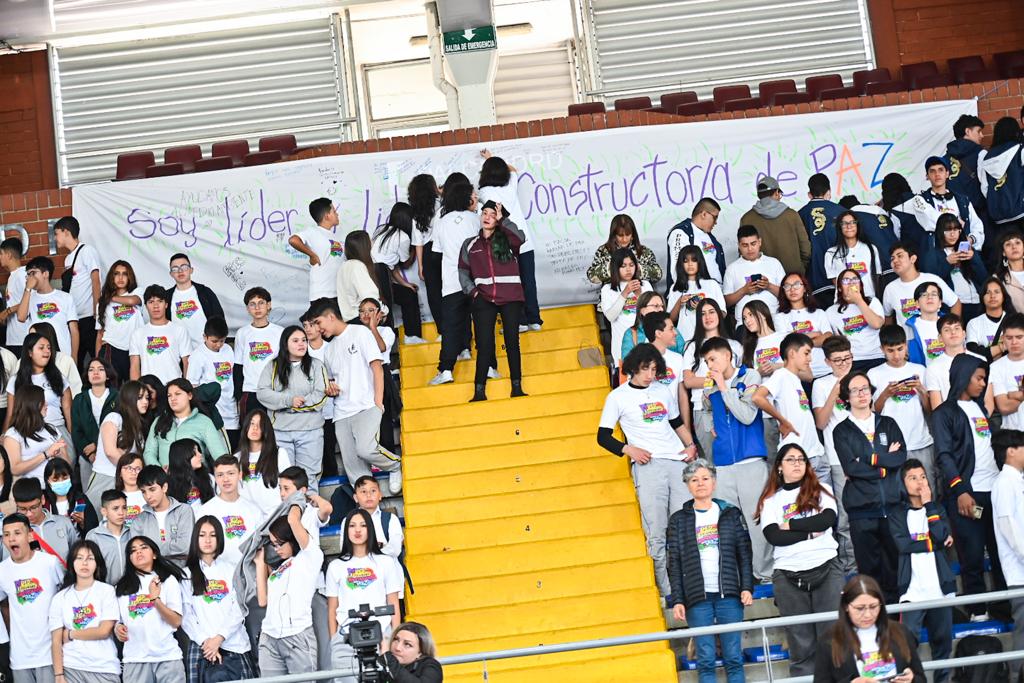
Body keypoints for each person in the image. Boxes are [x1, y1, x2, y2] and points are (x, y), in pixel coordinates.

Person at [597, 343, 697, 596]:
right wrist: (629, 450)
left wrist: (691, 446)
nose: (650, 375)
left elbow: (676, 422)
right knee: (657, 531)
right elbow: (603, 436)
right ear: (633, 368)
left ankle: (691, 587)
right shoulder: (617, 397)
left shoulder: (663, 390)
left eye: (654, 369)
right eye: (645, 369)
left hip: (676, 461)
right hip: (649, 466)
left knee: (685, 526)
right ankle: (667, 592)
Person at [756, 444, 842, 677]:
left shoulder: (821, 489)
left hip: (826, 567)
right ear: (780, 467)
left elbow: (826, 521)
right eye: (791, 459)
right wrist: (808, 533)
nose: (797, 463)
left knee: (832, 641)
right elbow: (774, 536)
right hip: (788, 574)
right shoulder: (771, 500)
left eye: (801, 459)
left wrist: (791, 525)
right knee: (800, 645)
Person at [932, 354, 1005, 621]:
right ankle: (978, 611)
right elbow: (944, 455)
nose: (983, 384)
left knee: (999, 552)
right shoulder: (944, 413)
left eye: (984, 379)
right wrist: (960, 490)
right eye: (978, 378)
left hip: (993, 492)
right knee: (972, 550)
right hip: (968, 495)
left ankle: (1003, 607)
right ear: (963, 376)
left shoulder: (980, 409)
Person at [666, 459, 752, 683]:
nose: (700, 483)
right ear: (687, 485)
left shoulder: (730, 514)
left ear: (714, 483)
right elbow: (673, 562)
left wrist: (747, 587)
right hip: (697, 598)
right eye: (694, 480)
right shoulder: (678, 520)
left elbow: (744, 553)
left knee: (734, 657)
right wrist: (678, 600)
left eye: (705, 478)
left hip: (730, 595)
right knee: (705, 660)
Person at [306, 298, 402, 494]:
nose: (317, 329)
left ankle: (394, 466)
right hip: (341, 413)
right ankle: (367, 511)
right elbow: (333, 382)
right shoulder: (329, 349)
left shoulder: (360, 333)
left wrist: (377, 401)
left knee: (366, 449)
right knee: (354, 472)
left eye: (318, 323)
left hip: (366, 405)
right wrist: (331, 390)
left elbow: (377, 367)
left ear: (331, 317)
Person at [695, 338, 772, 580]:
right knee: (726, 524)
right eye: (707, 361)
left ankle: (765, 574)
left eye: (713, 359)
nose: (710, 364)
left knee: (756, 522)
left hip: (750, 460)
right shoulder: (710, 386)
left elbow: (748, 416)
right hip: (724, 463)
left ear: (728, 356)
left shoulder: (749, 377)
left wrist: (724, 388)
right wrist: (711, 427)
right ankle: (735, 577)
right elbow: (705, 406)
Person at [833, 370, 906, 603]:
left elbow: (900, 457)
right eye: (854, 391)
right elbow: (851, 467)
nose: (861, 394)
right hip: (862, 511)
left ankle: (898, 623)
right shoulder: (841, 430)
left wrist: (870, 459)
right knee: (870, 573)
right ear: (846, 397)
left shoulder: (888, 423)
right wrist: (883, 461)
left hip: (893, 508)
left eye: (865, 388)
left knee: (897, 568)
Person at [891, 458, 955, 683]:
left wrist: (929, 505)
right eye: (912, 478)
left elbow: (939, 534)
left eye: (922, 476)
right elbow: (903, 545)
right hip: (912, 592)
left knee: (943, 647)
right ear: (902, 483)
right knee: (906, 648)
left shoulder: (936, 509)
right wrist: (933, 543)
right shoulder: (897, 513)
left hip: (940, 588)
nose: (919, 482)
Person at [458, 200, 528, 401]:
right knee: (484, 344)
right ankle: (479, 391)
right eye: (485, 213)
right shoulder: (470, 244)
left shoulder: (508, 240)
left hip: (511, 297)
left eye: (492, 214)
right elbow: (463, 272)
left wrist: (503, 219)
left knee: (512, 341)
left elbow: (520, 238)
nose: (487, 217)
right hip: (484, 299)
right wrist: (473, 293)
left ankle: (517, 386)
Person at [325, 509, 403, 683]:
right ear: (346, 531)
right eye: (352, 526)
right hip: (345, 638)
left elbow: (394, 604)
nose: (357, 530)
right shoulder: (335, 566)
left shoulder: (386, 562)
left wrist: (392, 639)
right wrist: (334, 639)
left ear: (371, 529)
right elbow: (332, 609)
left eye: (363, 525)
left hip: (382, 635)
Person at [182, 516, 256, 681]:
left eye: (212, 535)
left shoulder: (231, 570)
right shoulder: (186, 574)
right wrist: (207, 641)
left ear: (220, 538)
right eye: (202, 535)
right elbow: (186, 615)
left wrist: (219, 638)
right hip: (203, 648)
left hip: (234, 645)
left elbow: (239, 608)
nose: (207, 540)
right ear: (195, 539)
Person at [254, 502, 323, 679]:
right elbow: (263, 600)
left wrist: (297, 501)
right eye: (273, 544)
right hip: (269, 636)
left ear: (292, 538)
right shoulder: (279, 567)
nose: (276, 549)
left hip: (297, 635)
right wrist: (260, 564)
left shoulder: (310, 556)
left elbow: (292, 519)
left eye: (279, 544)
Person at [813, 574, 925, 682]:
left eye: (873, 607)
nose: (868, 615)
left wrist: (912, 679)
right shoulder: (828, 642)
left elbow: (920, 678)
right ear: (846, 606)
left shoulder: (901, 631)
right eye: (860, 608)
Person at [478, 150, 543, 331]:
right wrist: (493, 159)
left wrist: (489, 161)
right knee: (529, 281)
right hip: (525, 240)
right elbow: (513, 169)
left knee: (513, 283)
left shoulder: (484, 192)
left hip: (505, 244)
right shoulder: (510, 186)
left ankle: (520, 321)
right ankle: (534, 320)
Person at [753, 333, 829, 485]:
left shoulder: (793, 377)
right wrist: (782, 421)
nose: (810, 359)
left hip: (815, 452)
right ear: (792, 353)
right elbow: (757, 397)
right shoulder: (781, 375)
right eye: (806, 353)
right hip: (799, 454)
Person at [868, 325, 936, 493]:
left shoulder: (919, 370)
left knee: (928, 488)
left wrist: (920, 389)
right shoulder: (874, 373)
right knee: (897, 490)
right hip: (893, 445)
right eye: (890, 350)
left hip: (921, 440)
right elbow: (871, 414)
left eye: (900, 349)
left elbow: (929, 410)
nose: (896, 355)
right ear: (882, 349)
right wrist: (885, 394)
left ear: (906, 345)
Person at [810, 336, 857, 574]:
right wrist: (836, 391)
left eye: (847, 358)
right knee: (845, 516)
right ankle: (849, 565)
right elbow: (820, 421)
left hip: (865, 455)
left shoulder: (860, 380)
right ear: (827, 362)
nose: (843, 364)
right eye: (837, 360)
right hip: (838, 459)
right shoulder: (821, 385)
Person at [0, 513, 64, 681]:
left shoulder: (50, 563)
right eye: (6, 535)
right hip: (20, 657)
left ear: (29, 535)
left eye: (17, 533)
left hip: (51, 654)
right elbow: (3, 604)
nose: (11, 539)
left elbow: (65, 596)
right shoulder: (1, 571)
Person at [429, 173, 480, 384]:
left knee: (450, 327)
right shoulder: (476, 219)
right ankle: (489, 367)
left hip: (451, 282)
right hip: (477, 281)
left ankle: (446, 370)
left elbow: (436, 252)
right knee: (481, 324)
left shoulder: (441, 222)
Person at [114, 535, 187, 683]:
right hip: (134, 660)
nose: (138, 552)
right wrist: (117, 629)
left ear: (154, 554)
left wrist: (155, 599)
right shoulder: (121, 587)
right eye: (133, 550)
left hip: (168, 658)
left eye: (143, 547)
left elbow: (176, 621)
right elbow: (117, 622)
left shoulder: (167, 580)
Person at [48, 539, 120, 683]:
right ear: (72, 563)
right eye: (79, 558)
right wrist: (58, 675)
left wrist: (70, 633)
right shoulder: (60, 598)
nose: (84, 563)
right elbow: (56, 641)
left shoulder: (107, 591)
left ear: (97, 563)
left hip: (104, 668)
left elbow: (103, 631)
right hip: (71, 668)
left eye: (90, 558)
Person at [681, 300, 741, 442]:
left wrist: (716, 382)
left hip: (731, 405)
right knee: (710, 460)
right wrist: (719, 380)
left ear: (719, 315)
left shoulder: (735, 346)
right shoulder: (692, 346)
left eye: (712, 312)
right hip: (702, 407)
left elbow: (740, 377)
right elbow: (689, 381)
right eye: (703, 314)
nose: (708, 317)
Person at [992, 429, 1024, 682]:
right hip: (1019, 572)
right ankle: (1017, 677)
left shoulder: (1017, 480)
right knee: (1023, 632)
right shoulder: (1004, 482)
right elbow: (1007, 524)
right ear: (1010, 451)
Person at [88, 380, 150, 511]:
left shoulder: (137, 427)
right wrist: (131, 470)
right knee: (98, 520)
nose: (145, 401)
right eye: (140, 398)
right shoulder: (114, 417)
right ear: (129, 398)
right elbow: (110, 451)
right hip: (105, 478)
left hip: (125, 481)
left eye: (147, 398)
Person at [143, 378, 228, 469]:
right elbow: (149, 452)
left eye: (178, 394)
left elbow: (219, 455)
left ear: (190, 395)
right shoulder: (159, 421)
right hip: (165, 480)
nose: (173, 398)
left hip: (196, 479)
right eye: (169, 395)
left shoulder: (204, 422)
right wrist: (160, 473)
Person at [372, 202, 424, 343]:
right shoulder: (404, 237)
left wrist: (405, 284)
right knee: (387, 309)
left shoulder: (380, 229)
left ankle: (410, 337)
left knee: (407, 294)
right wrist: (415, 247)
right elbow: (405, 262)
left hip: (372, 274)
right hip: (381, 275)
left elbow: (391, 266)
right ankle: (412, 336)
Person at [53, 217, 101, 369]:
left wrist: (97, 311)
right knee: (74, 363)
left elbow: (96, 280)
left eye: (57, 233)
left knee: (97, 361)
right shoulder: (68, 258)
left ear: (66, 232)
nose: (55, 238)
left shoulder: (87, 250)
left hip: (89, 317)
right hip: (74, 319)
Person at [198, 455, 262, 568]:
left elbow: (260, 548)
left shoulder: (254, 510)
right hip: (219, 576)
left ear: (240, 475)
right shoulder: (205, 511)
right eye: (220, 475)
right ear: (215, 478)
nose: (225, 479)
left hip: (248, 573)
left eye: (231, 473)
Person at [739, 175, 810, 276]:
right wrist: (800, 267)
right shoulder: (792, 215)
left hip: (762, 278)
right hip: (793, 276)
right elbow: (805, 248)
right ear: (776, 193)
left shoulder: (746, 219)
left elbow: (743, 252)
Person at [923, 213, 986, 324]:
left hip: (976, 302)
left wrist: (973, 258)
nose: (953, 234)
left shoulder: (967, 249)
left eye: (956, 230)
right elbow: (931, 283)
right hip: (952, 306)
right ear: (940, 232)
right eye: (948, 230)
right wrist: (947, 262)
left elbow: (984, 279)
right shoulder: (932, 254)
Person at [186, 316, 239, 448]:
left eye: (222, 340)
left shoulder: (228, 350)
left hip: (231, 410)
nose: (219, 345)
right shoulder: (197, 355)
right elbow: (192, 386)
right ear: (205, 337)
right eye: (214, 341)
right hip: (212, 413)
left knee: (232, 447)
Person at [882, 241, 961, 330]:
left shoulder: (932, 280)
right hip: (908, 342)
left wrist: (951, 329)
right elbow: (887, 317)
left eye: (900, 256)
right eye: (892, 259)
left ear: (913, 259)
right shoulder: (890, 289)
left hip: (936, 342)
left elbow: (955, 303)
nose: (895, 260)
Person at [740, 300, 785, 455]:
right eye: (744, 318)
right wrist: (758, 372)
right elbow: (743, 381)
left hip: (786, 404)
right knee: (771, 458)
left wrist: (776, 367)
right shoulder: (747, 347)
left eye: (750, 315)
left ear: (763, 313)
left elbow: (800, 368)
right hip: (764, 411)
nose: (747, 320)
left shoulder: (783, 338)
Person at [130, 465, 195, 567]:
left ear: (164, 487)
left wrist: (151, 550)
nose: (148, 496)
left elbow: (185, 546)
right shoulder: (139, 520)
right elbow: (137, 553)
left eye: (152, 489)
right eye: (143, 491)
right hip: (153, 576)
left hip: (182, 573)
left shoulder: (184, 511)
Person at [15, 256, 78, 361]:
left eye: (33, 273)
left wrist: (74, 356)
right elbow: (21, 317)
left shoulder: (65, 297)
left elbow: (74, 330)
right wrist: (28, 289)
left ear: (46, 274)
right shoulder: (29, 297)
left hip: (63, 355)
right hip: (38, 357)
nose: (29, 277)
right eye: (28, 274)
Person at [4, 383, 70, 485]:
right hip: (31, 492)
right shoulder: (13, 434)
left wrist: (62, 452)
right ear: (31, 404)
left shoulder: (51, 429)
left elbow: (67, 466)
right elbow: (14, 469)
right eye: (43, 401)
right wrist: (46, 454)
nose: (46, 404)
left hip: (54, 489)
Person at [233, 287, 282, 418]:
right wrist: (239, 396)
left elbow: (285, 364)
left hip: (273, 391)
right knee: (250, 431)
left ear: (269, 305)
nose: (257, 307)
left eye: (261, 303)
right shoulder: (242, 333)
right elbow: (238, 366)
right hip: (250, 391)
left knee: (274, 432)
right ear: (247, 309)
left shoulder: (280, 332)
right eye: (252, 304)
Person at [917, 155, 985, 251]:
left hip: (964, 254)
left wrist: (968, 242)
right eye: (932, 171)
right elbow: (931, 221)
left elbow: (977, 226)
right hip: (940, 256)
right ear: (927, 176)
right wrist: (957, 223)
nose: (937, 174)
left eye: (941, 170)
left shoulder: (962, 200)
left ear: (947, 174)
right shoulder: (920, 200)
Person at [70, 358, 116, 496]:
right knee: (89, 492)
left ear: (107, 375)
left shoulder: (117, 397)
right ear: (87, 375)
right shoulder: (79, 399)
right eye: (91, 370)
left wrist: (97, 445)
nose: (95, 372)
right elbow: (76, 430)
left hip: (111, 451)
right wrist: (90, 453)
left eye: (100, 369)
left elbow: (121, 429)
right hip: (88, 455)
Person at [300, 312, 339, 479]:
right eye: (305, 326)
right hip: (310, 411)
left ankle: (333, 480)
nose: (308, 329)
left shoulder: (331, 348)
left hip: (331, 408)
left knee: (330, 447)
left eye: (311, 324)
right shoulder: (301, 351)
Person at [723, 225, 786, 324]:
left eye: (753, 243)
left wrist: (768, 286)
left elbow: (787, 294)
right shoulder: (732, 269)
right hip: (744, 323)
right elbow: (725, 302)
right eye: (745, 245)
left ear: (760, 242)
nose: (750, 249)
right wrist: (744, 291)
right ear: (739, 245)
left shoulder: (774, 263)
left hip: (773, 319)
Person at [774, 272, 833, 378]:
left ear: (805, 288)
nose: (792, 289)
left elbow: (828, 338)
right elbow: (787, 343)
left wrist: (798, 340)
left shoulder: (819, 313)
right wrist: (815, 334)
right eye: (787, 286)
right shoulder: (779, 317)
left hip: (825, 369)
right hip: (798, 374)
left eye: (797, 284)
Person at [236, 409, 293, 516]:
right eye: (252, 423)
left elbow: (288, 486)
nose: (255, 428)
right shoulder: (237, 458)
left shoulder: (279, 453)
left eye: (260, 425)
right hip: (249, 519)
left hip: (276, 516)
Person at [129, 285, 192, 383]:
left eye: (160, 301)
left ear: (166, 304)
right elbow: (134, 367)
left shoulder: (179, 330)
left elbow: (187, 363)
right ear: (145, 306)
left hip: (173, 389)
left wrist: (187, 389)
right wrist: (137, 393)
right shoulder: (137, 334)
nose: (155, 306)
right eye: (151, 302)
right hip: (148, 390)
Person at [798, 173, 844, 306]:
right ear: (829, 192)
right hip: (840, 277)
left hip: (813, 279)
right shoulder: (842, 212)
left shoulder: (799, 215)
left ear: (809, 194)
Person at [826, 268, 885, 370]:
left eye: (855, 280)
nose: (851, 283)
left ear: (861, 285)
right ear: (839, 288)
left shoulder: (872, 302)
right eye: (846, 281)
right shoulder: (831, 311)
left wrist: (859, 301)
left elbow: (877, 324)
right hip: (851, 361)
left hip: (877, 356)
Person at [95, 259, 143, 384]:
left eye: (125, 274)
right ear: (112, 277)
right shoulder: (102, 303)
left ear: (130, 277)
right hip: (110, 348)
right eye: (116, 273)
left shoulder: (137, 292)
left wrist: (109, 297)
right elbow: (100, 333)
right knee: (111, 392)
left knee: (133, 391)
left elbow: (132, 301)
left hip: (133, 350)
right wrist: (96, 362)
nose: (120, 277)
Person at [163, 253, 225, 350]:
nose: (180, 271)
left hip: (206, 351)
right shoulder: (166, 297)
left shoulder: (205, 292)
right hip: (179, 354)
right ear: (171, 274)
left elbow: (219, 319)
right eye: (175, 269)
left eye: (184, 267)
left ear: (191, 270)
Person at [667, 245, 726, 342]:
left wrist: (703, 306)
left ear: (700, 262)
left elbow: (723, 313)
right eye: (685, 261)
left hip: (710, 337)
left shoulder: (712, 284)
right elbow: (671, 318)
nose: (690, 264)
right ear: (681, 264)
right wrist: (679, 303)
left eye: (694, 260)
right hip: (685, 338)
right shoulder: (675, 287)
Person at [289, 197, 343, 302]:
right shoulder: (313, 232)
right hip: (322, 294)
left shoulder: (335, 237)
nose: (337, 214)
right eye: (334, 211)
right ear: (327, 215)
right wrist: (312, 255)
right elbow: (293, 240)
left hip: (337, 293)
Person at [946, 114, 989, 243]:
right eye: (979, 131)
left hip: (956, 222)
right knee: (989, 254)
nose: (982, 135)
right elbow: (987, 186)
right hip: (981, 216)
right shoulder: (981, 154)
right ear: (968, 131)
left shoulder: (944, 160)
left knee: (964, 254)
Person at [408, 174, 443, 331]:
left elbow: (418, 242)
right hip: (444, 249)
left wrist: (421, 266)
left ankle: (443, 330)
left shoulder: (416, 211)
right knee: (452, 290)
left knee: (434, 293)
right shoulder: (442, 203)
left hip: (429, 253)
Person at [587, 214, 662, 285]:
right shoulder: (603, 251)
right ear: (614, 235)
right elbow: (591, 277)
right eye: (620, 235)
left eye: (628, 235)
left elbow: (658, 275)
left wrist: (639, 269)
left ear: (633, 234)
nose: (624, 239)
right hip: (612, 295)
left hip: (639, 296)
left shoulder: (643, 251)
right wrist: (610, 268)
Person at [665, 198, 725, 288]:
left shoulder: (709, 237)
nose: (716, 222)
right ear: (704, 214)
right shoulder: (681, 233)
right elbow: (677, 268)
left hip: (715, 293)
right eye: (715, 217)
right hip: (695, 294)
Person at [978, 117, 1024, 233]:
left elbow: (985, 189)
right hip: (1021, 212)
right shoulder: (1020, 150)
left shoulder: (985, 157)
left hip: (998, 218)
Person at [824, 210, 882, 299]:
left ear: (857, 225)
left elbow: (877, 276)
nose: (849, 226)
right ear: (839, 227)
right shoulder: (831, 253)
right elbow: (836, 281)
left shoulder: (871, 249)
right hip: (845, 302)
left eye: (853, 222)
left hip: (869, 299)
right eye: (844, 223)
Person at [924, 314, 978, 409]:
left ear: (964, 334)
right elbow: (937, 409)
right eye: (947, 330)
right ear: (940, 338)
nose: (953, 332)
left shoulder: (980, 360)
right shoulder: (933, 368)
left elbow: (987, 402)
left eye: (957, 328)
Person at [86, 490, 131, 585]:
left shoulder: (132, 533)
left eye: (124, 508)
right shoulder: (93, 536)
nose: (121, 513)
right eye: (115, 508)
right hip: (104, 590)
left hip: (130, 590)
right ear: (104, 511)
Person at [352, 475, 403, 559]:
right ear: (355, 498)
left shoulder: (391, 519)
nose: (368, 495)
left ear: (380, 495)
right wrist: (380, 546)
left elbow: (395, 549)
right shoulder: (348, 521)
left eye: (373, 491)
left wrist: (366, 552)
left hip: (388, 568)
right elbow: (347, 550)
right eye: (363, 491)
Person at [43, 458, 97, 535]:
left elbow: (93, 530)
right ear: (47, 480)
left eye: (65, 478)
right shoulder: (45, 503)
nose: (61, 482)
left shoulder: (80, 500)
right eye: (55, 480)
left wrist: (82, 523)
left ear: (70, 477)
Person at [966, 277, 1015, 362]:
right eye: (988, 292)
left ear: (1003, 296)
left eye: (997, 292)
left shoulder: (1015, 321)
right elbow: (972, 353)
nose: (992, 296)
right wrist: (1002, 347)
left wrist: (985, 351)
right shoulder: (973, 323)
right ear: (982, 298)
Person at [337, 230, 381, 323]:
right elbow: (369, 297)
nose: (372, 243)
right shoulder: (357, 266)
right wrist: (384, 311)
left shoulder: (344, 266)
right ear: (364, 246)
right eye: (369, 241)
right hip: (361, 319)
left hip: (349, 320)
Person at [990, 313, 1024, 431]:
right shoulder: (995, 368)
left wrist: (1014, 395)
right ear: (1003, 338)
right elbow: (1003, 406)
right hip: (1012, 436)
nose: (1014, 342)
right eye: (1009, 338)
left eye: (1019, 337)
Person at [904, 281, 949, 368]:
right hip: (919, 375)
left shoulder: (950, 324)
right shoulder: (908, 327)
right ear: (917, 303)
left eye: (934, 294)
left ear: (940, 303)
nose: (929, 297)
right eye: (924, 295)